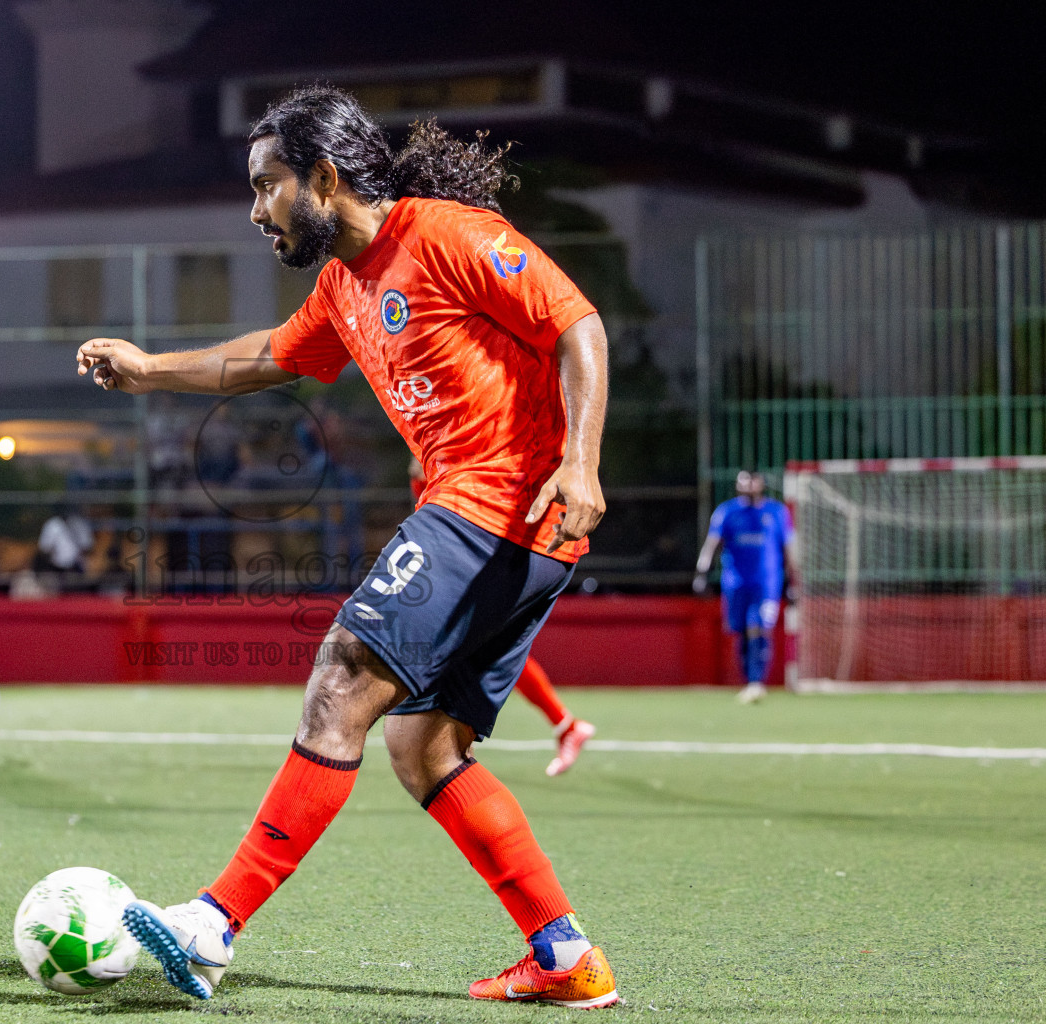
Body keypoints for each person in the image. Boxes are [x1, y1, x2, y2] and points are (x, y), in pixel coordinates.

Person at [77, 86, 617, 1008]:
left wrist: (581, 465)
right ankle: (566, 956)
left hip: (495, 505)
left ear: (324, 178)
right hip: (513, 530)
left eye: (267, 186)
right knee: (425, 748)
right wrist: (149, 370)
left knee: (341, 681)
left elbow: (578, 323)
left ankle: (212, 925)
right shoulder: (343, 284)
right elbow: (264, 359)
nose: (256, 211)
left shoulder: (443, 233)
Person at [412, 458, 595, 776]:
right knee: (487, 647)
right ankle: (565, 725)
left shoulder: (472, 454)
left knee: (469, 645)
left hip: (501, 540)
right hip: (494, 538)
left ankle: (562, 725)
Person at [694, 470, 798, 704]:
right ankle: (749, 680)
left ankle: (756, 682)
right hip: (735, 583)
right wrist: (702, 573)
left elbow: (789, 549)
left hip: (766, 583)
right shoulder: (727, 512)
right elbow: (712, 544)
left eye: (753, 480)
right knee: (741, 630)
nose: (748, 485)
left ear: (761, 483)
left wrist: (793, 582)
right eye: (744, 480)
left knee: (759, 627)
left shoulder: (776, 512)